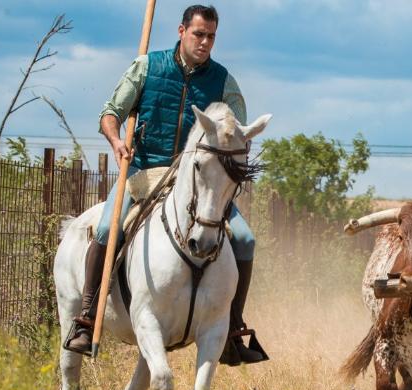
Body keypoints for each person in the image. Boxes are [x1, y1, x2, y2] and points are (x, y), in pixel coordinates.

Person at [64, 4, 268, 366]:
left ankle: (233, 329)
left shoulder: (223, 81)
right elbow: (110, 113)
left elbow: (238, 131)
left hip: (199, 180)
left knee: (246, 238)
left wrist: (235, 147)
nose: (205, 43)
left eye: (211, 37)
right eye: (199, 34)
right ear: (181, 31)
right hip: (143, 173)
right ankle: (87, 316)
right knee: (108, 226)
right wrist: (116, 141)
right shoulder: (147, 67)